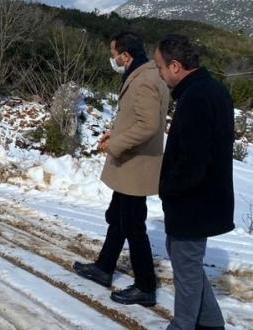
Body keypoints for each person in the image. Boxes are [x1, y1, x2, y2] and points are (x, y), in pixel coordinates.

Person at [73, 31, 169, 306]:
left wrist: (116, 143)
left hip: (136, 164)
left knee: (132, 225)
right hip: (130, 161)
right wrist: (114, 133)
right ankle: (104, 268)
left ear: (125, 55)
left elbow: (149, 125)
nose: (112, 60)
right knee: (118, 216)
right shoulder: (142, 73)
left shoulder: (146, 80)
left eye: (114, 55)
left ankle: (146, 286)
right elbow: (136, 118)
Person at [154, 34, 234, 330]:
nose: (160, 75)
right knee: (188, 265)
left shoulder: (197, 97)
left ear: (175, 66)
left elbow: (192, 162)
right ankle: (212, 326)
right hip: (202, 200)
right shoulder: (208, 89)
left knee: (186, 271)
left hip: (194, 202)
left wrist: (168, 189)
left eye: (160, 67)